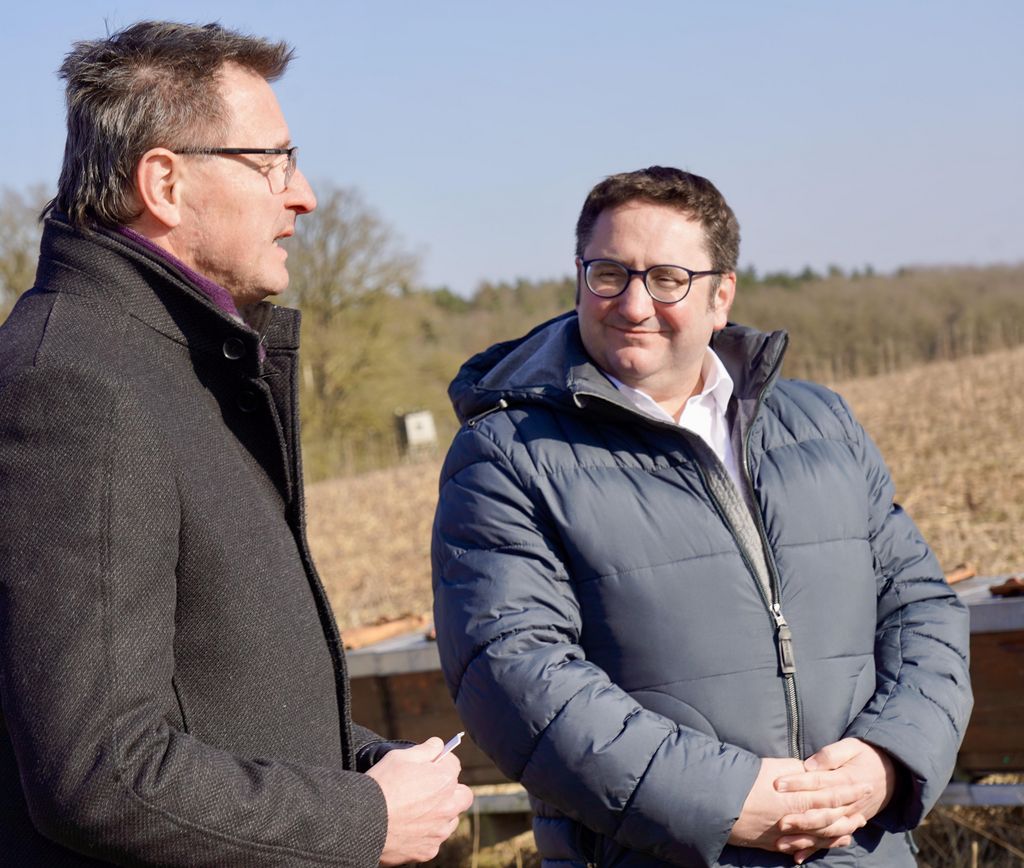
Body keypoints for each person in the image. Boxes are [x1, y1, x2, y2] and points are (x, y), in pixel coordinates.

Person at [0, 21, 471, 866]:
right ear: (166, 182)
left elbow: (217, 694)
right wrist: (361, 819)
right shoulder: (76, 388)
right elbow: (101, 772)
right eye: (273, 162)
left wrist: (368, 764)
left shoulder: (174, 370)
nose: (304, 196)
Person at [431, 166, 972, 867]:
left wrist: (887, 760)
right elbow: (514, 674)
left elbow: (922, 611)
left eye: (666, 279)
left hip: (859, 849)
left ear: (721, 296)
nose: (632, 303)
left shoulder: (822, 426)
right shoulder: (507, 454)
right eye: (608, 273)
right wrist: (731, 802)